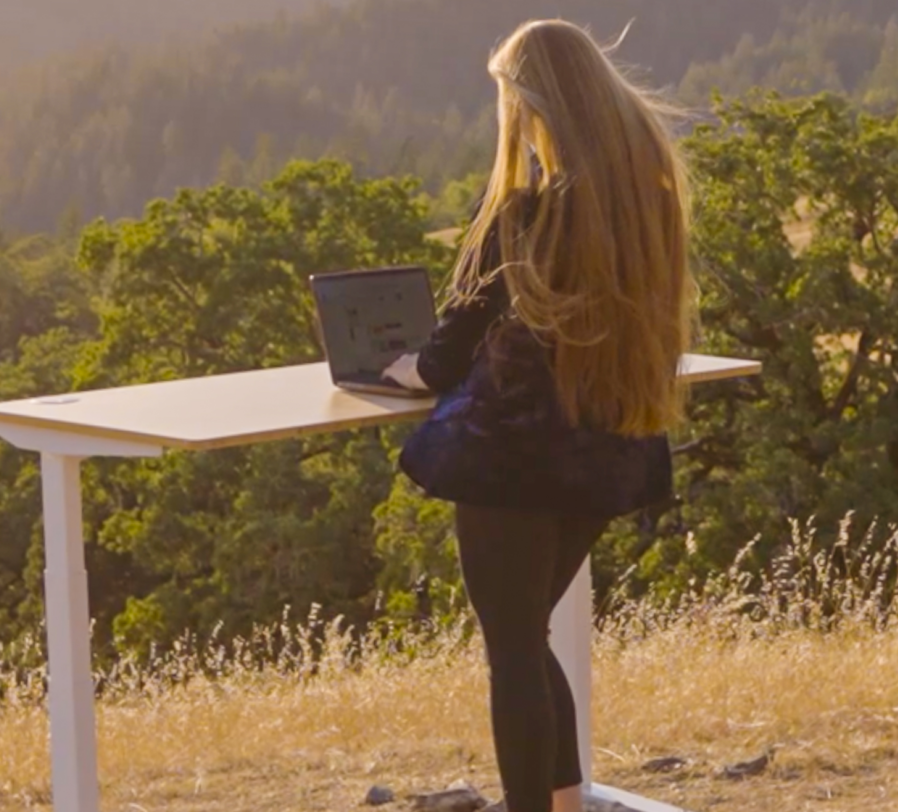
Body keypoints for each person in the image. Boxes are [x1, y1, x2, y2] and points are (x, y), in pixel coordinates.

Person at [381, 19, 695, 812]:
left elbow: (444, 355)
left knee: (512, 650)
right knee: (528, 635)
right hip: (610, 445)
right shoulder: (646, 198)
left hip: (512, 454)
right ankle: (562, 799)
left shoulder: (523, 210)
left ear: (531, 102)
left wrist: (401, 369)